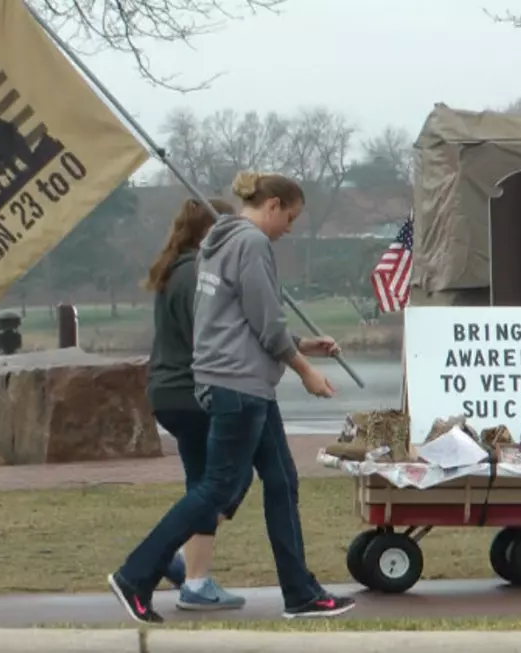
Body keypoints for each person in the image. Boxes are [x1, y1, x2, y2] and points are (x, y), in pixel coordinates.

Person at [108, 172, 355, 624]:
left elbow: (238, 318)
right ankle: (135, 574)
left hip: (243, 382)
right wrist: (305, 371)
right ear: (274, 205)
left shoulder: (215, 244)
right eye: (292, 218)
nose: (290, 229)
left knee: (281, 481)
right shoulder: (252, 244)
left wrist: (299, 344)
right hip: (239, 386)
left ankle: (299, 593)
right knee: (218, 488)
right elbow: (265, 320)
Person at [143, 197, 250, 611]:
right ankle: (193, 580)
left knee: (204, 484)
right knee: (224, 484)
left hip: (171, 392)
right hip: (193, 393)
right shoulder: (195, 276)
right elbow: (209, 336)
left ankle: (177, 564)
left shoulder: (178, 269)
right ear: (212, 231)